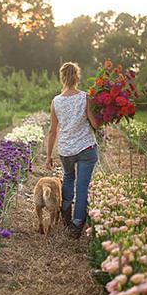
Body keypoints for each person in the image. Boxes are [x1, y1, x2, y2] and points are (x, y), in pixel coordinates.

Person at [46, 62, 101, 239]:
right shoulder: (85, 97)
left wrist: (48, 156)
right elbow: (94, 123)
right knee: (82, 186)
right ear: (77, 77)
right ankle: (77, 224)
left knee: (68, 178)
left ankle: (65, 216)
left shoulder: (56, 101)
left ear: (62, 77)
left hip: (66, 149)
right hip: (86, 147)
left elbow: (52, 131)